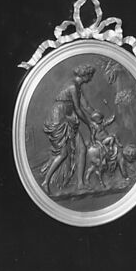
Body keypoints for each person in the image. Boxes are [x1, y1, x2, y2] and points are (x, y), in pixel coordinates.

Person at [38, 63, 103, 195]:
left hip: (69, 118)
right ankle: (45, 182)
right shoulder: (73, 86)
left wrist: (96, 115)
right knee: (63, 154)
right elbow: (78, 109)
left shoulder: (78, 88)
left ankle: (80, 184)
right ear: (85, 75)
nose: (91, 78)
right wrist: (89, 123)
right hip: (60, 118)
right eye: (91, 75)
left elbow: (86, 106)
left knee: (83, 149)